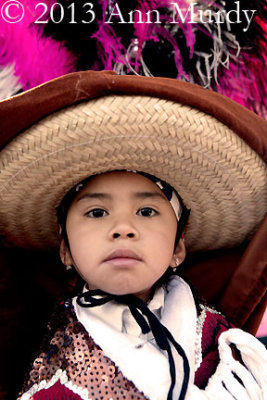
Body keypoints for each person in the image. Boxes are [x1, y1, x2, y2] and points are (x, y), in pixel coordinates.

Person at [0, 71, 266, 400]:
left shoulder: (222, 341)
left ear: (177, 247)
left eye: (146, 212)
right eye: (96, 213)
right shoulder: (55, 362)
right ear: (65, 249)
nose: (123, 228)